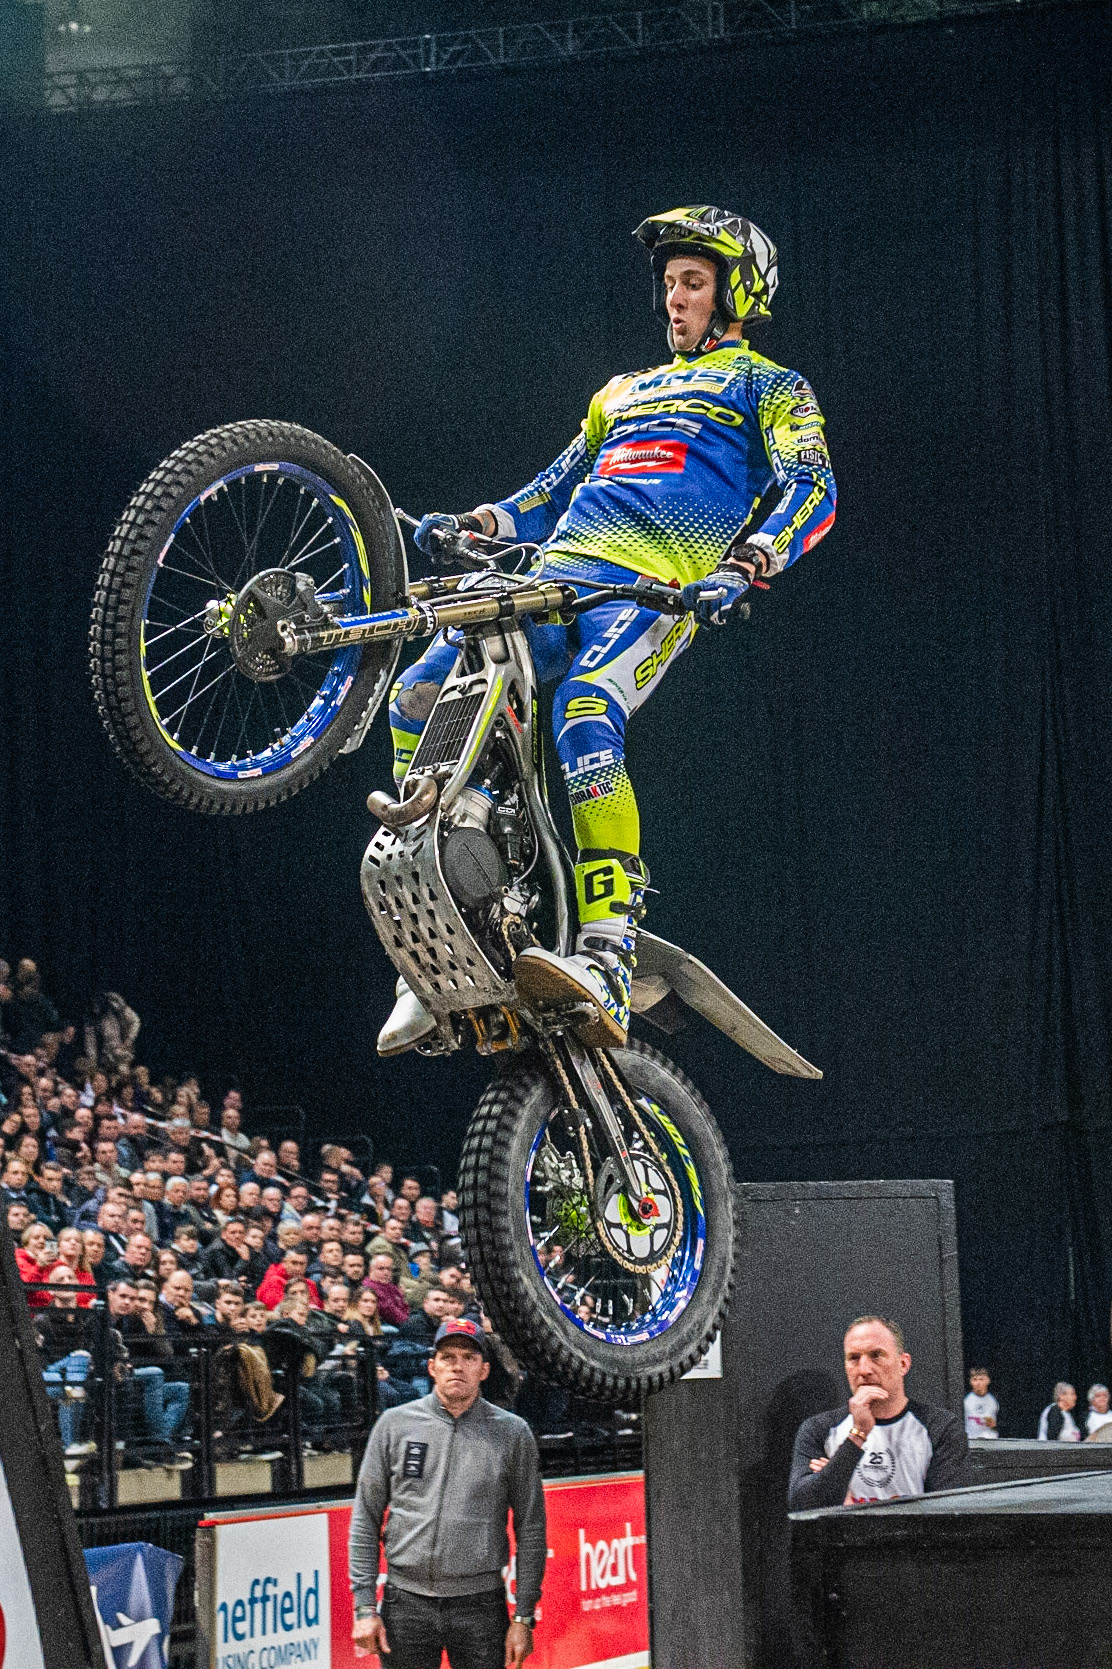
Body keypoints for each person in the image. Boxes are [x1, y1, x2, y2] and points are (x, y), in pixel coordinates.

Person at [381, 203, 836, 1055]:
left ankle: (609, 950)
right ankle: (438, 943)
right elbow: (545, 495)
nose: (675, 299)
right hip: (556, 577)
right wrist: (480, 522)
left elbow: (814, 487)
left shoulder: (769, 387)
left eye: (693, 283)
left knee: (585, 711)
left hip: (651, 592)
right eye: (669, 285)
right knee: (416, 694)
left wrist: (749, 563)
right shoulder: (621, 392)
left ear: (735, 292)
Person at [349, 1317, 546, 1668]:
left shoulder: (513, 1434)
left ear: (484, 1370)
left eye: (469, 1358)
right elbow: (365, 1515)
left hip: (481, 1607)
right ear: (432, 1367)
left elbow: (531, 1528)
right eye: (448, 1357)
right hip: (404, 1604)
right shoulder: (394, 1424)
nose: (458, 1366)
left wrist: (524, 1616)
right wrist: (365, 1606)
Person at [788, 1316, 970, 1508]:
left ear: (903, 1364)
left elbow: (946, 1517)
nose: (864, 1369)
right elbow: (802, 1505)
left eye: (876, 1355)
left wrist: (848, 1504)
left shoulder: (940, 1427)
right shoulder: (819, 1429)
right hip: (844, 1539)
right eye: (854, 1358)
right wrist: (858, 1435)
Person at [964, 1367, 1000, 1440]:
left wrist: (994, 1425)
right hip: (971, 1441)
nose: (978, 1383)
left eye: (981, 1379)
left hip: (990, 1441)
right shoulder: (965, 1400)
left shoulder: (994, 1401)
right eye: (975, 1379)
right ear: (970, 1381)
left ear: (988, 1380)